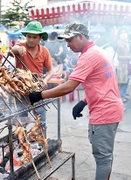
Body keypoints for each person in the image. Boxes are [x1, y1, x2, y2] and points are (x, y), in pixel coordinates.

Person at [29, 23, 123, 180]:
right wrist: (84, 102)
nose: (68, 45)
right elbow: (103, 84)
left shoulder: (88, 56)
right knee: (106, 157)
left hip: (104, 113)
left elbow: (69, 86)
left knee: (103, 159)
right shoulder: (99, 51)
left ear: (81, 36)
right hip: (112, 109)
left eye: (70, 40)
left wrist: (40, 95)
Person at [11, 21, 53, 131]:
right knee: (21, 121)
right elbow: (13, 49)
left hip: (37, 88)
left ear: (40, 38)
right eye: (29, 36)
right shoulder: (21, 46)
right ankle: (21, 144)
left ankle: (41, 145)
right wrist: (18, 49)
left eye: (34, 37)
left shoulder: (44, 51)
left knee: (41, 121)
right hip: (21, 89)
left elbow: (50, 70)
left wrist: (45, 79)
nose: (30, 40)